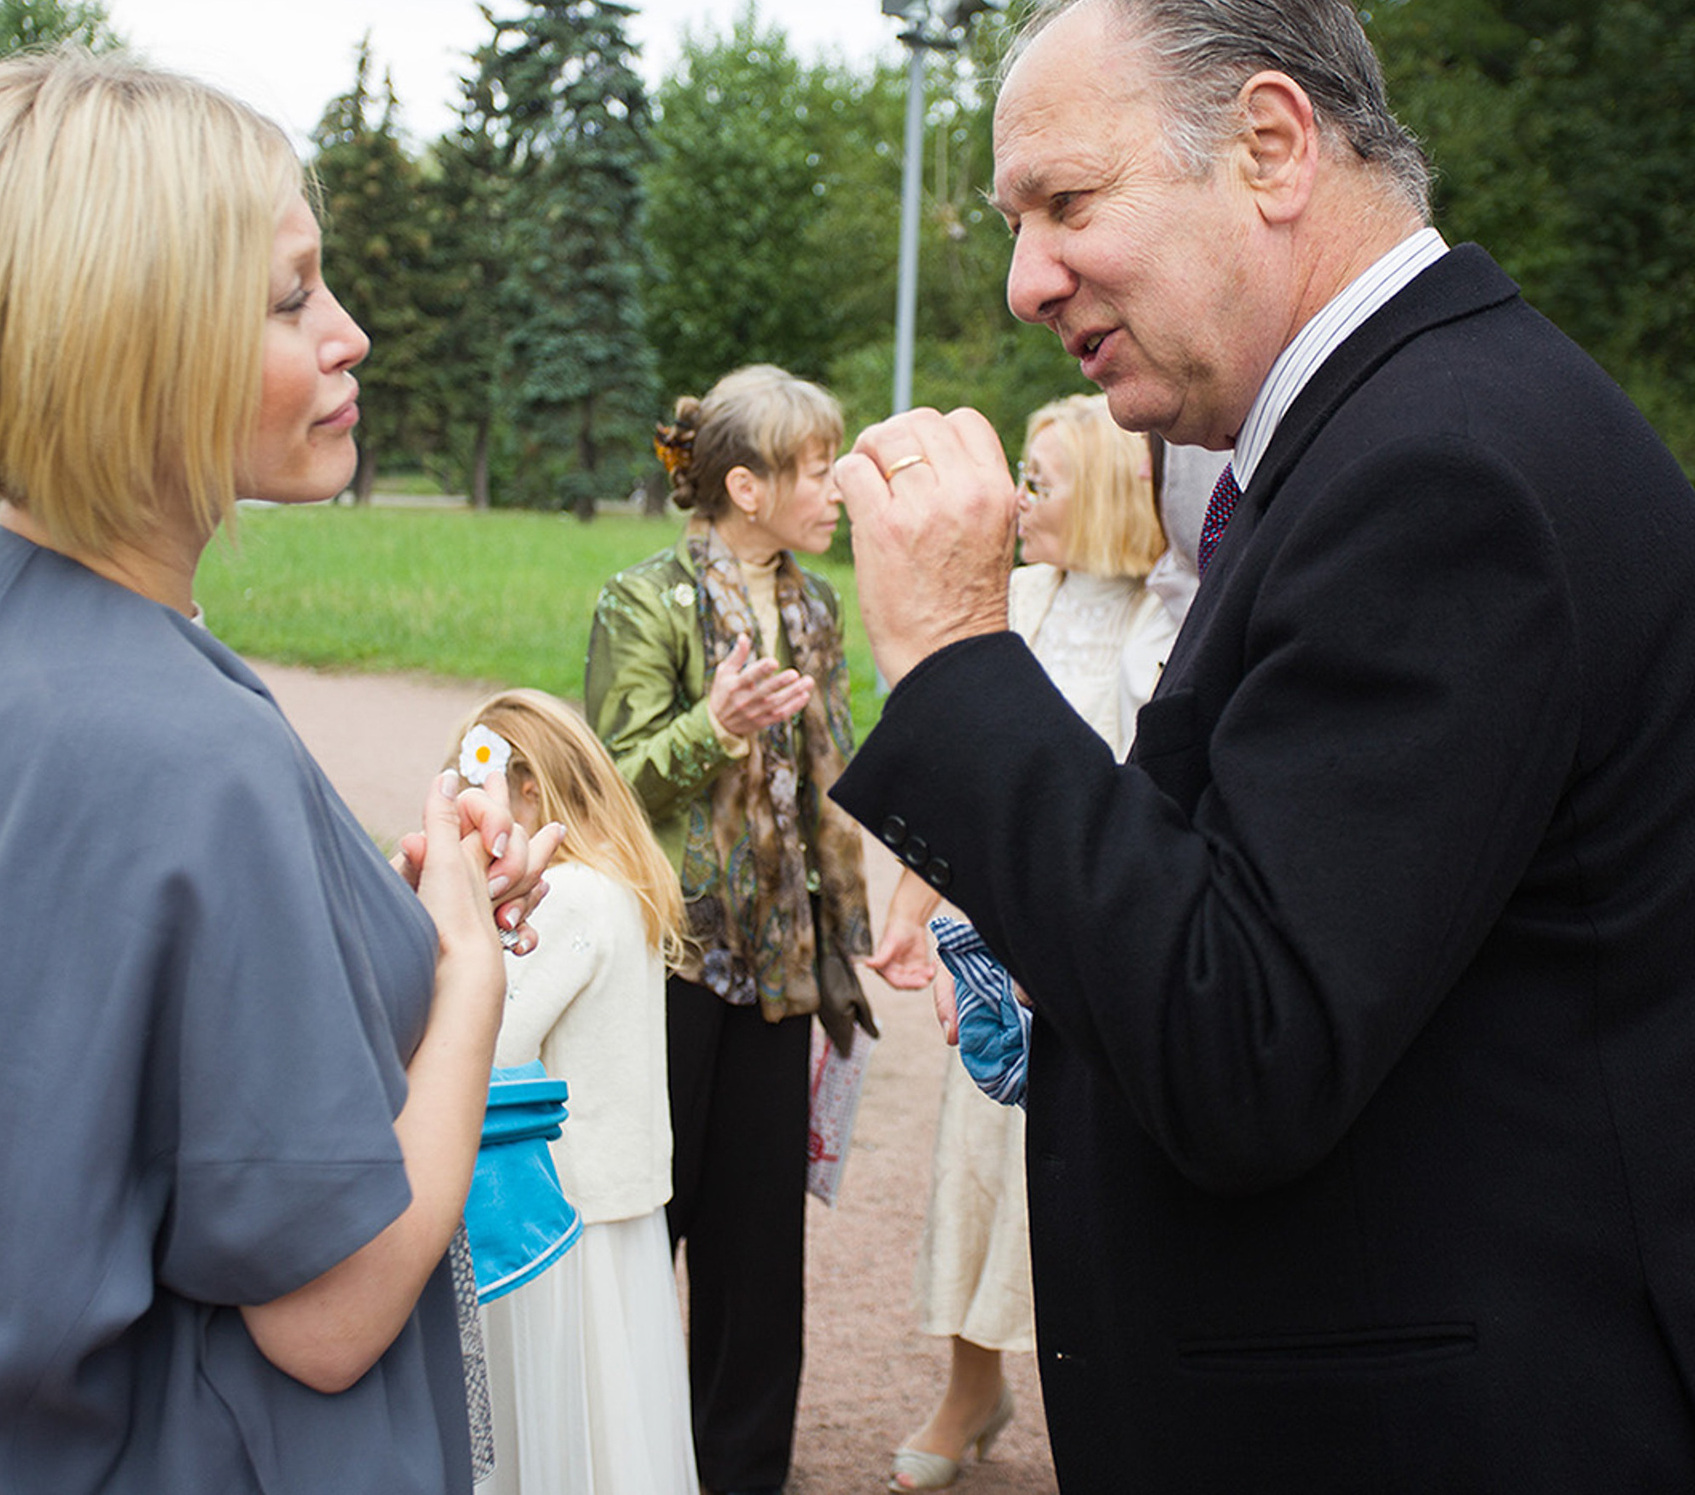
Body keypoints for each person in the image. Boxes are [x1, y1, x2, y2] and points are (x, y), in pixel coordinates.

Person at [827, 0, 1695, 1491]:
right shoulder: (1393, 434)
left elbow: (1249, 1040)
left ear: (1271, 144)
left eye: (1067, 203)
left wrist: (962, 659)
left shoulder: (1443, 474)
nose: (1030, 280)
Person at [0, 54, 559, 1494]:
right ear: (132, 338)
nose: (348, 333)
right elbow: (331, 1313)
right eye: (292, 297)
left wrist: (369, 911)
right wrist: (472, 977)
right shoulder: (186, 743)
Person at [865, 393, 1167, 1490]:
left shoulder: (1167, 616)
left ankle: (1125, 1400)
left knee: (1108, 1185)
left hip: (1110, 944)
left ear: (1103, 495)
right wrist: (909, 908)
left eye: (1039, 480)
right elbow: (957, 764)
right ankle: (970, 1382)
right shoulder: (1017, 605)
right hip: (999, 954)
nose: (1018, 503)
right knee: (980, 1165)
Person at [582, 363, 874, 1495]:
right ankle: (627, 1457)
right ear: (745, 487)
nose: (835, 485)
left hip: (780, 962)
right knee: (650, 1210)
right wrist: (710, 725)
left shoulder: (812, 604)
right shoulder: (643, 600)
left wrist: (843, 934)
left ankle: (742, 1468)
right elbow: (606, 779)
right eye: (816, 467)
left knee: (760, 1250)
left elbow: (829, 781)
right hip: (674, 961)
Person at [452, 689, 698, 1495]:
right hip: (614, 1198)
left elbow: (496, 1036)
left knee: (562, 1425)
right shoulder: (618, 884)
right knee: (615, 1419)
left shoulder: (569, 898)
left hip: (565, 1214)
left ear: (528, 789)